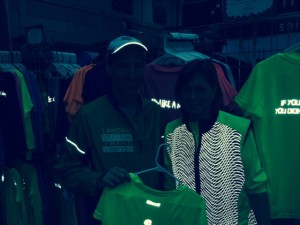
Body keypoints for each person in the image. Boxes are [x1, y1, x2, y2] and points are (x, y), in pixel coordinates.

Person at [55, 35, 167, 224]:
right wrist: (98, 178)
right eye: (123, 66)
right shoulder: (89, 116)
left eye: (138, 66)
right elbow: (65, 170)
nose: (132, 74)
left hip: (154, 216)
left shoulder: (156, 114)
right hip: (111, 217)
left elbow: (168, 165)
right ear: (109, 68)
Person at [163, 59, 271, 225]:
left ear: (213, 91)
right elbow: (170, 186)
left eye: (200, 89)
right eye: (187, 89)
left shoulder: (238, 128)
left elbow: (255, 185)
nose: (192, 97)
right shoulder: (172, 131)